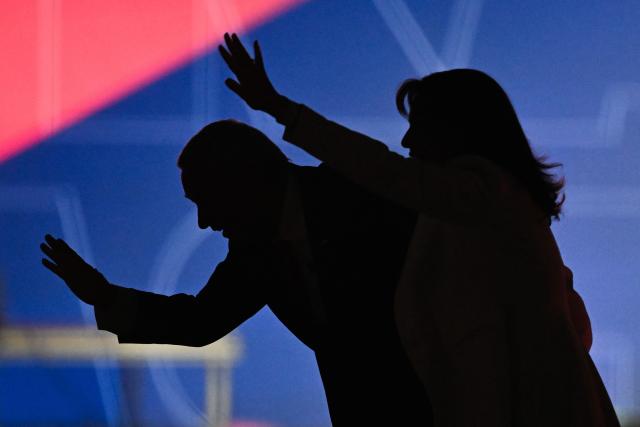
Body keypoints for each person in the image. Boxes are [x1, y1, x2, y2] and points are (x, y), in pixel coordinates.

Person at [218, 33, 620, 426]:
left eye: (420, 125)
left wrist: (281, 109)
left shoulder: (479, 195)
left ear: (456, 130)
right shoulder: (490, 205)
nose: (408, 141)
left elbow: (383, 170)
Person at [40, 120, 433, 426]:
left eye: (207, 201)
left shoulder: (355, 195)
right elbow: (200, 321)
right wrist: (104, 297)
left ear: (244, 182)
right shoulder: (255, 250)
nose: (204, 222)